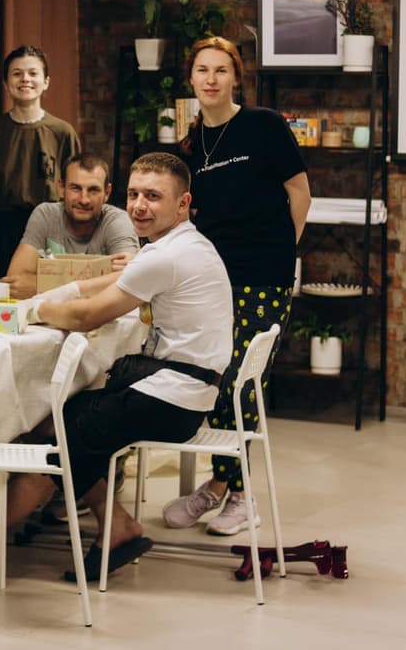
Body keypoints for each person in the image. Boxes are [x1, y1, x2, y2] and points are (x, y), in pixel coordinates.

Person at [0, 153, 232, 578]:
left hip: (172, 399)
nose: (139, 205)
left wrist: (33, 312)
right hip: (183, 388)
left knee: (54, 443)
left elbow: (87, 316)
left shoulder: (164, 254)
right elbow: (92, 284)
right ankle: (117, 526)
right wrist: (39, 300)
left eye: (153, 196)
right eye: (135, 194)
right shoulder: (177, 244)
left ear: (183, 203)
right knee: (51, 421)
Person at [162, 36, 310, 537]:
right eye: (202, 69)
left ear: (236, 78)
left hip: (263, 276)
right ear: (191, 78)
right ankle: (220, 487)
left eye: (221, 70)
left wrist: (280, 250)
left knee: (241, 380)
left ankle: (241, 496)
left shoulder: (264, 126)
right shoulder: (191, 142)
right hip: (213, 279)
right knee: (213, 373)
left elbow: (300, 193)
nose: (210, 79)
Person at [0, 45, 81, 279]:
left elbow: (74, 184)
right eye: (17, 73)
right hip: (0, 231)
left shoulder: (62, 132)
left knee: (46, 300)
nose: (25, 79)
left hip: (48, 230)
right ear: (5, 83)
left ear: (46, 82)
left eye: (33, 73)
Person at [0, 153, 140, 300]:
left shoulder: (118, 221)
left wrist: (42, 286)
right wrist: (93, 285)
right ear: (61, 188)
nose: (84, 199)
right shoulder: (46, 215)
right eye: (75, 188)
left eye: (93, 190)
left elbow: (129, 281)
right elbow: (16, 283)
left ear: (107, 193)